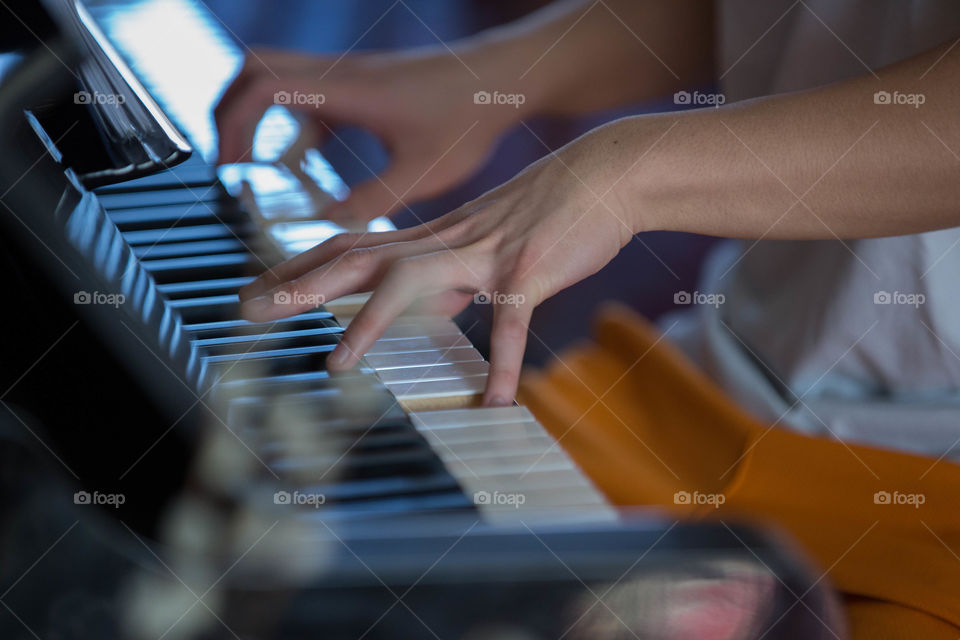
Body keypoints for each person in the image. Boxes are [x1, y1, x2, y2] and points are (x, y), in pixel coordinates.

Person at [216, 2, 960, 637]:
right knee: (258, 546)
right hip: (696, 397)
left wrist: (622, 176)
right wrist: (495, 77)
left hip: (932, 518)